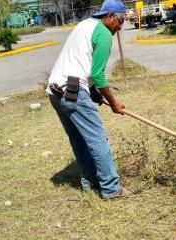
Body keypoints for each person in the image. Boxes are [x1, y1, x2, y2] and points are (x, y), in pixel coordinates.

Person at [47, 0, 131, 199]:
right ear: (109, 16)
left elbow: (81, 64)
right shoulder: (103, 33)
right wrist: (113, 103)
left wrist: (94, 93)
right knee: (97, 139)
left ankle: (90, 182)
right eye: (119, 22)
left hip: (56, 89)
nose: (120, 27)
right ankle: (111, 188)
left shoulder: (84, 25)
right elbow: (98, 74)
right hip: (72, 87)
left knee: (79, 139)